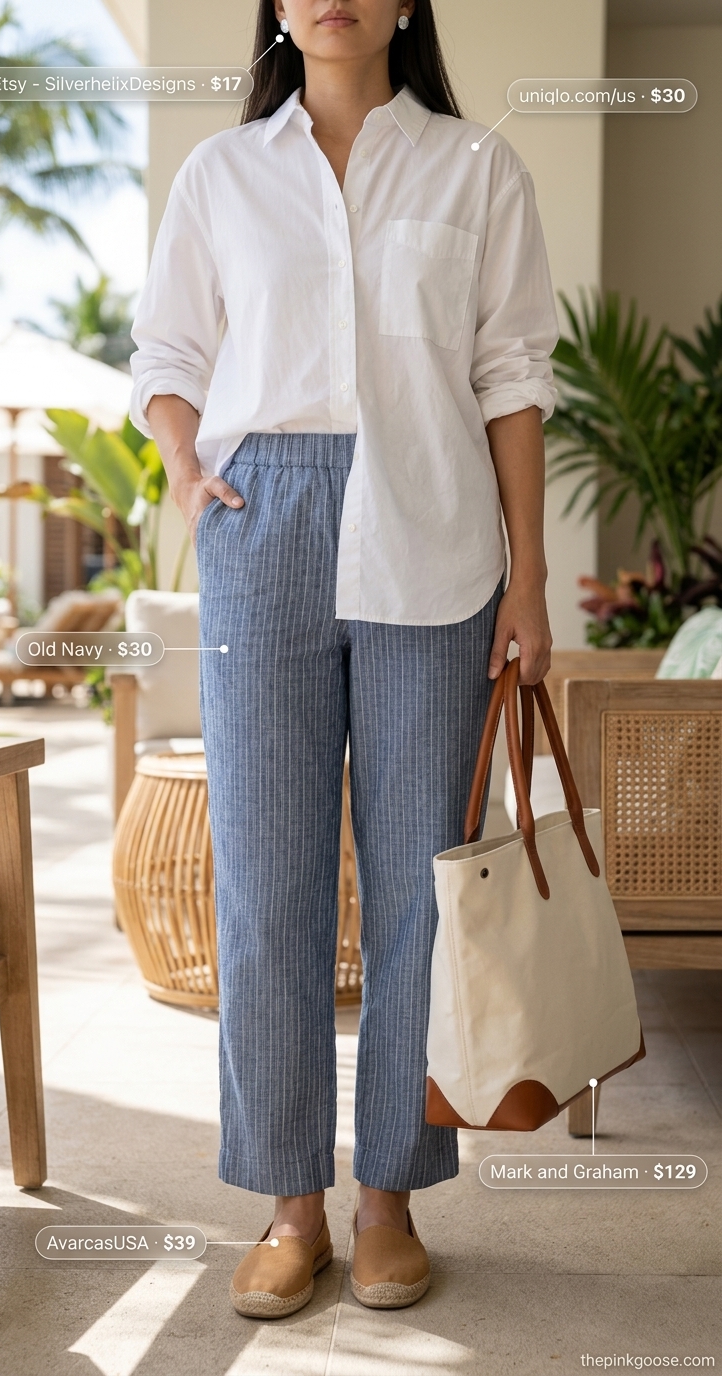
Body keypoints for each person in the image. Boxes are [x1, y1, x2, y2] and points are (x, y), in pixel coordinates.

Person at [130, 0, 557, 1320]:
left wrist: (530, 579)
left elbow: (511, 373)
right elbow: (168, 354)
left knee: (422, 884)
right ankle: (287, 1203)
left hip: (435, 532)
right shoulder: (223, 173)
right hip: (268, 530)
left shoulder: (475, 166)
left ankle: (390, 1200)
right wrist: (192, 471)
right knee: (267, 880)